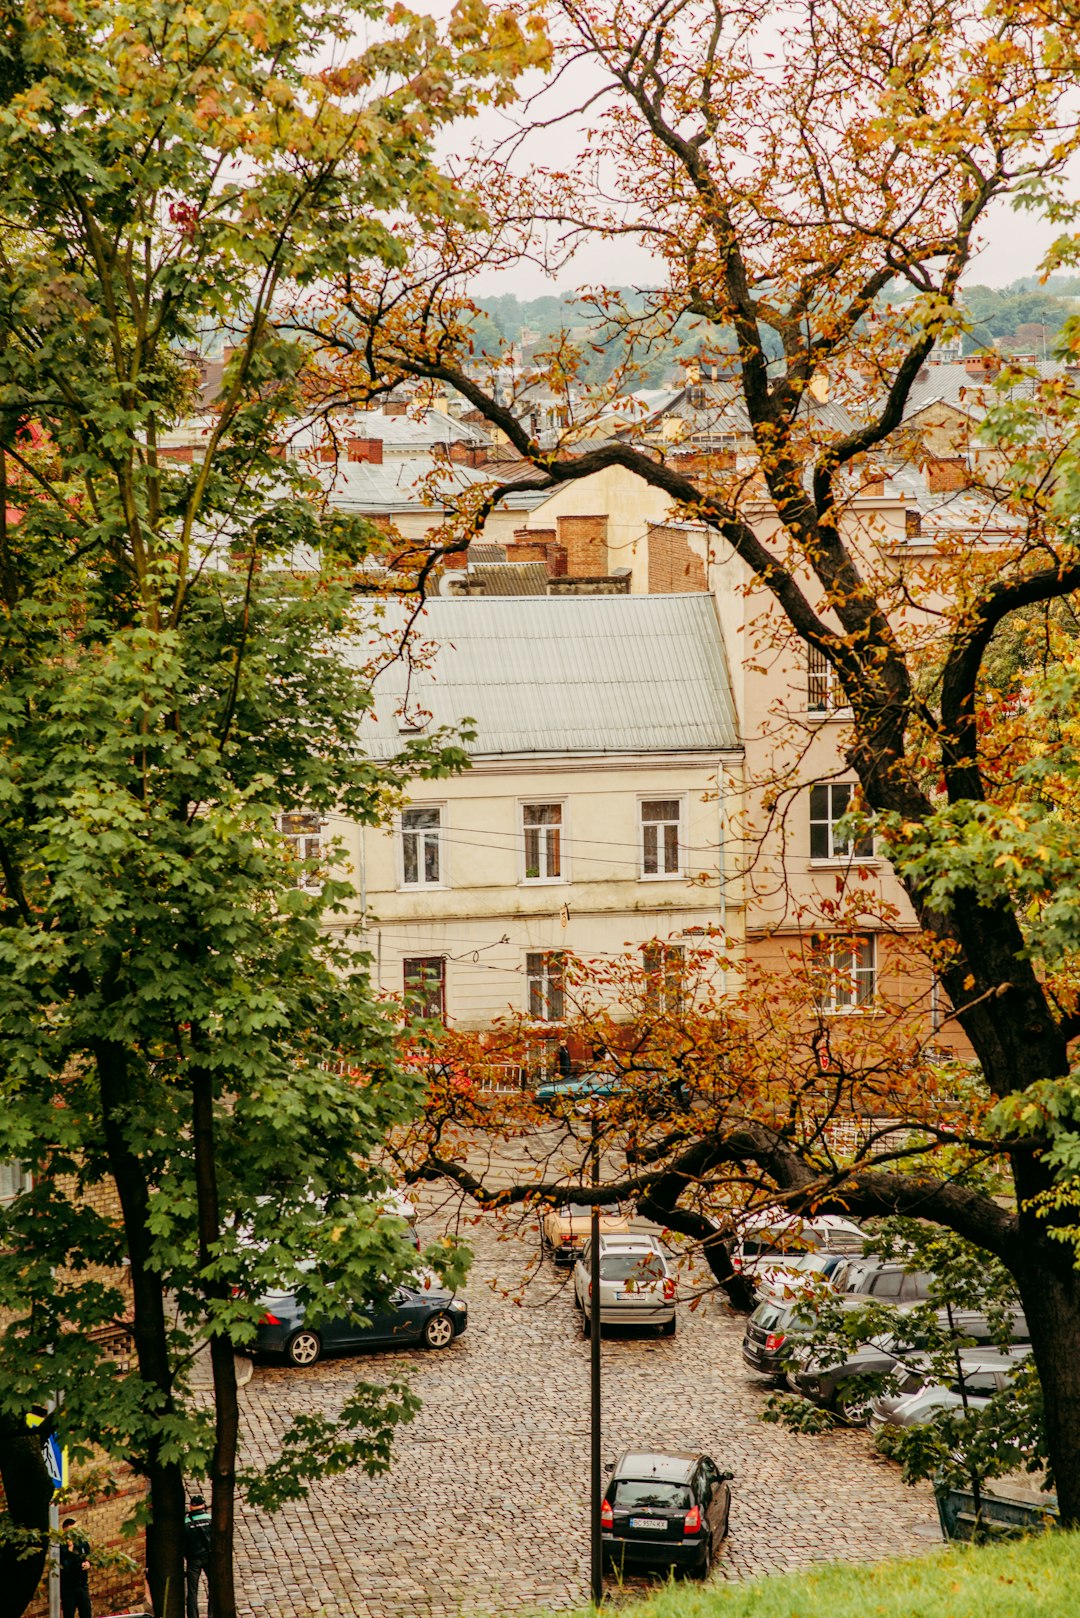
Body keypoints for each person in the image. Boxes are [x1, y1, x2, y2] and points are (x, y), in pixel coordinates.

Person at [184, 1494, 212, 1618]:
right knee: (214, 1588)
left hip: (193, 1560)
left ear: (191, 1506)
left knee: (192, 1591)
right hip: (208, 1558)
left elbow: (183, 1542)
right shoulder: (210, 1519)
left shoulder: (186, 1522)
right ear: (203, 1505)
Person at [59, 1516, 92, 1618]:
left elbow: (89, 1556)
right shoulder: (61, 1546)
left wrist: (88, 1563)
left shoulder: (82, 1542)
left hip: (82, 1585)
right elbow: (65, 1566)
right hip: (68, 1588)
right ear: (65, 1532)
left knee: (86, 1612)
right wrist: (69, 1550)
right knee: (69, 1614)